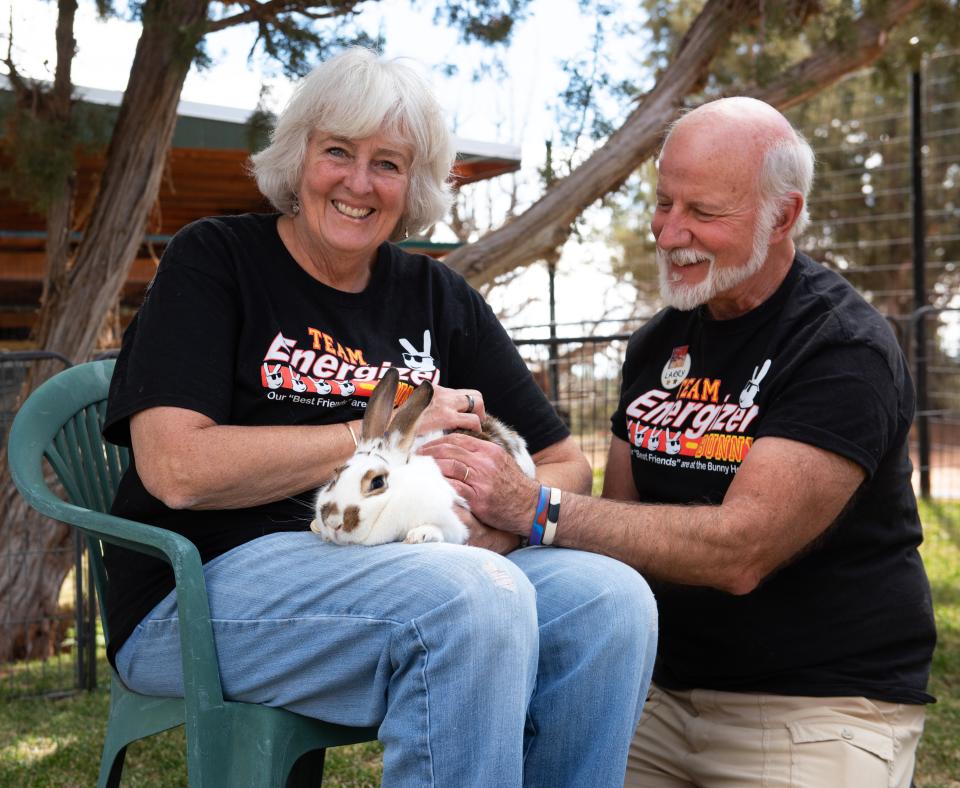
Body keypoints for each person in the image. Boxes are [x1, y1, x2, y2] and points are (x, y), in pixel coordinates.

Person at [101, 47, 657, 787]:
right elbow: (177, 470)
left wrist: (495, 521)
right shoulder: (217, 261)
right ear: (299, 158)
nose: (359, 183)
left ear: (414, 184)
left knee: (610, 603)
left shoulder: (436, 296)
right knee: (466, 600)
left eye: (389, 163)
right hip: (201, 589)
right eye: (338, 152)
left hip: (412, 564)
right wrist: (388, 430)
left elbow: (565, 461)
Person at [423, 97, 936, 787]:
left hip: (821, 702)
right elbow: (620, 527)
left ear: (783, 215)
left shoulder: (841, 347)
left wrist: (535, 510)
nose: (668, 234)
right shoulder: (658, 343)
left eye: (702, 212)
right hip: (657, 692)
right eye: (664, 203)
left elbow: (741, 550)